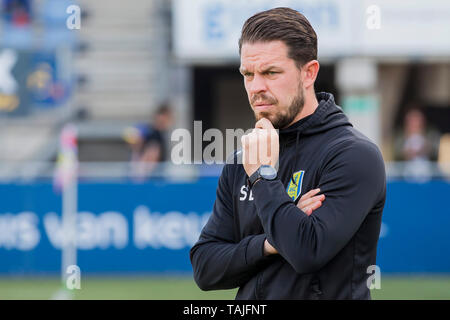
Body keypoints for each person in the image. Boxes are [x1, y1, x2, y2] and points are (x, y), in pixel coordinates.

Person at [190, 7, 386, 299]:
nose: (256, 87)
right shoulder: (245, 158)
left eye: (270, 72)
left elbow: (306, 251)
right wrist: (269, 244)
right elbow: (205, 267)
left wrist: (264, 177)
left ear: (309, 73)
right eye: (248, 74)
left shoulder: (353, 155)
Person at [123, 103, 174, 179]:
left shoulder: (156, 134)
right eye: (168, 117)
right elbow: (150, 158)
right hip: (150, 181)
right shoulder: (154, 136)